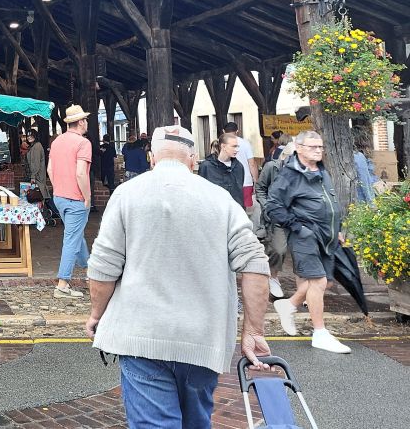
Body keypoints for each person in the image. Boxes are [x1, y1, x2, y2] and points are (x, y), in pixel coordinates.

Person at [86, 125, 271, 428]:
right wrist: (253, 330)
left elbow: (103, 266)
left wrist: (97, 313)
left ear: (151, 157)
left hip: (142, 336)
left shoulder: (127, 194)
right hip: (203, 339)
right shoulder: (221, 199)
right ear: (193, 159)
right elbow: (255, 263)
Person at [265, 130, 350, 354]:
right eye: (313, 147)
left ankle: (289, 305)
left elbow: (330, 203)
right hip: (305, 236)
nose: (318, 150)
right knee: (318, 281)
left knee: (326, 282)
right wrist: (298, 228)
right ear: (299, 148)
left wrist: (337, 229)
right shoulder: (290, 174)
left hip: (327, 236)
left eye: (320, 147)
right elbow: (273, 206)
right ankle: (320, 333)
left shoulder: (322, 171)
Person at [47, 104, 93, 300]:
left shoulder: (57, 141)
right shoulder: (83, 143)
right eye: (86, 120)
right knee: (72, 239)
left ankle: (91, 273)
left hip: (59, 197)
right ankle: (63, 284)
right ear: (81, 122)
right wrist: (87, 196)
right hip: (76, 198)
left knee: (76, 235)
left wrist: (58, 187)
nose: (87, 122)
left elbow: (50, 169)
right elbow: (81, 173)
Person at [256, 142, 297, 300]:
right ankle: (273, 277)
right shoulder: (271, 167)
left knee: (301, 253)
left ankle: (305, 289)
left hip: (297, 215)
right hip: (277, 215)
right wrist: (267, 207)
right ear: (284, 156)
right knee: (278, 250)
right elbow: (260, 188)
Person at [197, 132, 246, 207]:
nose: (237, 150)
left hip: (235, 209)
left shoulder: (239, 166)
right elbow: (201, 192)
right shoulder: (206, 166)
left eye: (237, 146)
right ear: (223, 146)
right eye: (234, 146)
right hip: (215, 209)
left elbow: (239, 190)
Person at [223, 121, 258, 208]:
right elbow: (252, 164)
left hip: (227, 182)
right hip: (245, 181)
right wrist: (255, 181)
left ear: (223, 131)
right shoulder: (245, 143)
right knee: (245, 210)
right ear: (237, 131)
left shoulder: (221, 144)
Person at [353, 132, 379, 204]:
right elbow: (364, 180)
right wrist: (372, 203)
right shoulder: (358, 156)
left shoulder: (359, 156)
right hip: (362, 199)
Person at [24, 132, 49, 198]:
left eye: (31, 135)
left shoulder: (36, 146)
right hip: (37, 174)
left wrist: (33, 176)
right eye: (28, 136)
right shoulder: (34, 146)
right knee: (40, 193)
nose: (29, 137)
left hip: (37, 175)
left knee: (38, 194)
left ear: (35, 136)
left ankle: (48, 203)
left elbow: (35, 163)